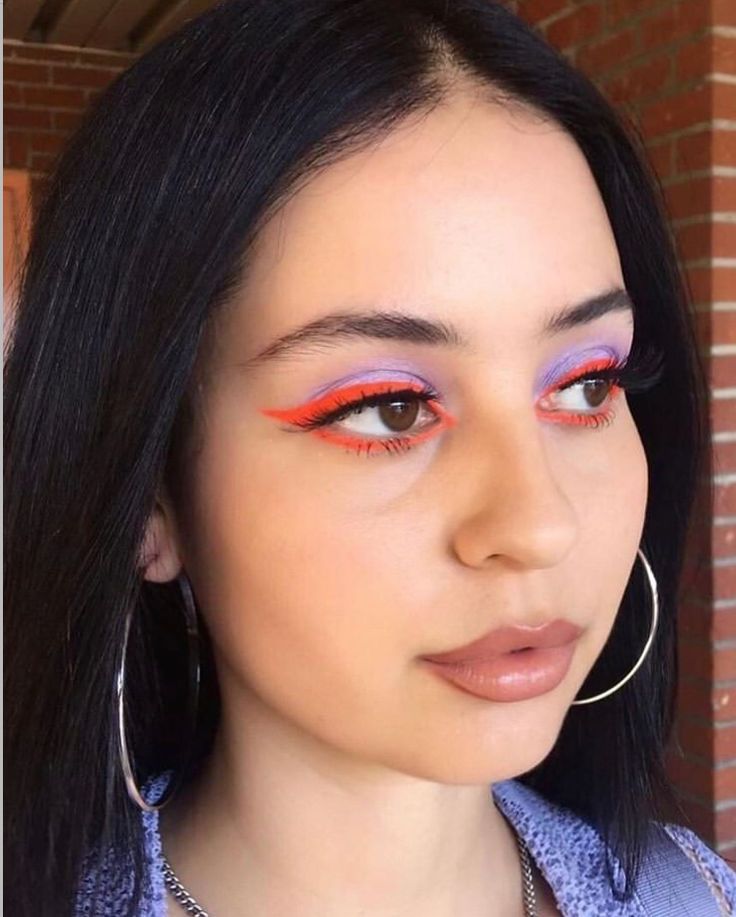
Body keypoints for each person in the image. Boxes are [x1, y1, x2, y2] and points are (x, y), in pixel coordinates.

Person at [5, 1, 736, 914]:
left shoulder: (695, 896)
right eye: (390, 408)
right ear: (150, 497)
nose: (540, 522)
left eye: (587, 383)